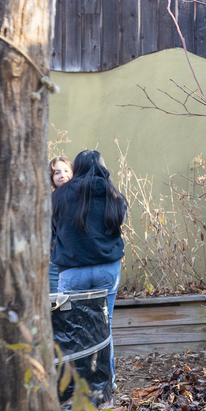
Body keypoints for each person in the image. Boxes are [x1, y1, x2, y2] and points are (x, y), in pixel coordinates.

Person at [52, 150, 127, 379]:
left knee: (70, 331)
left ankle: (74, 392)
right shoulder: (114, 195)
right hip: (107, 269)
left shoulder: (59, 196)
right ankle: (106, 389)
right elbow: (117, 226)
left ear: (78, 168)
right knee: (105, 328)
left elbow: (54, 232)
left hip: (72, 271)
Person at [48, 156, 73, 294]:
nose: (62, 175)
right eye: (57, 172)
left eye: (66, 171)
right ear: (51, 177)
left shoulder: (82, 197)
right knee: (55, 306)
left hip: (76, 262)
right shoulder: (47, 200)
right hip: (54, 263)